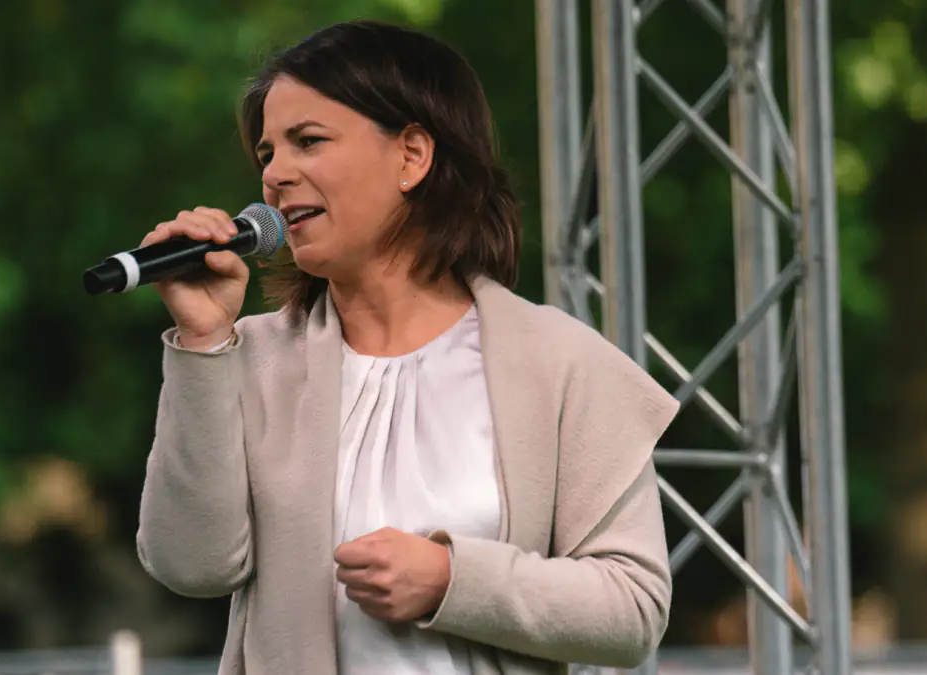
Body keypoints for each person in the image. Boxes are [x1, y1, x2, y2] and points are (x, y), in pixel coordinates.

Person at [135, 19, 679, 675]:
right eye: (266, 154)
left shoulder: (559, 362)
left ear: (412, 156)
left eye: (308, 141)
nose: (276, 175)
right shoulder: (245, 356)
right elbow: (190, 563)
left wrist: (453, 579)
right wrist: (201, 340)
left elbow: (632, 610)